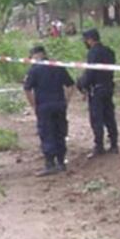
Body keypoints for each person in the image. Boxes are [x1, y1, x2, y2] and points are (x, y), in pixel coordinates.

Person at [24, 45, 75, 176]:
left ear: (34, 56)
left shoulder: (34, 70)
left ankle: (50, 164)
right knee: (60, 132)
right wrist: (66, 101)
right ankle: (61, 162)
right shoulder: (57, 66)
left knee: (47, 134)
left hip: (44, 106)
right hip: (59, 105)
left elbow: (27, 89)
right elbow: (70, 85)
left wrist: (34, 106)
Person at [76, 28, 118, 156]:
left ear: (90, 40)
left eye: (85, 40)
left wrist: (81, 84)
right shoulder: (109, 51)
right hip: (108, 87)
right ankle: (114, 144)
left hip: (96, 90)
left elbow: (91, 72)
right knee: (109, 116)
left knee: (96, 119)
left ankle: (99, 146)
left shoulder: (93, 53)